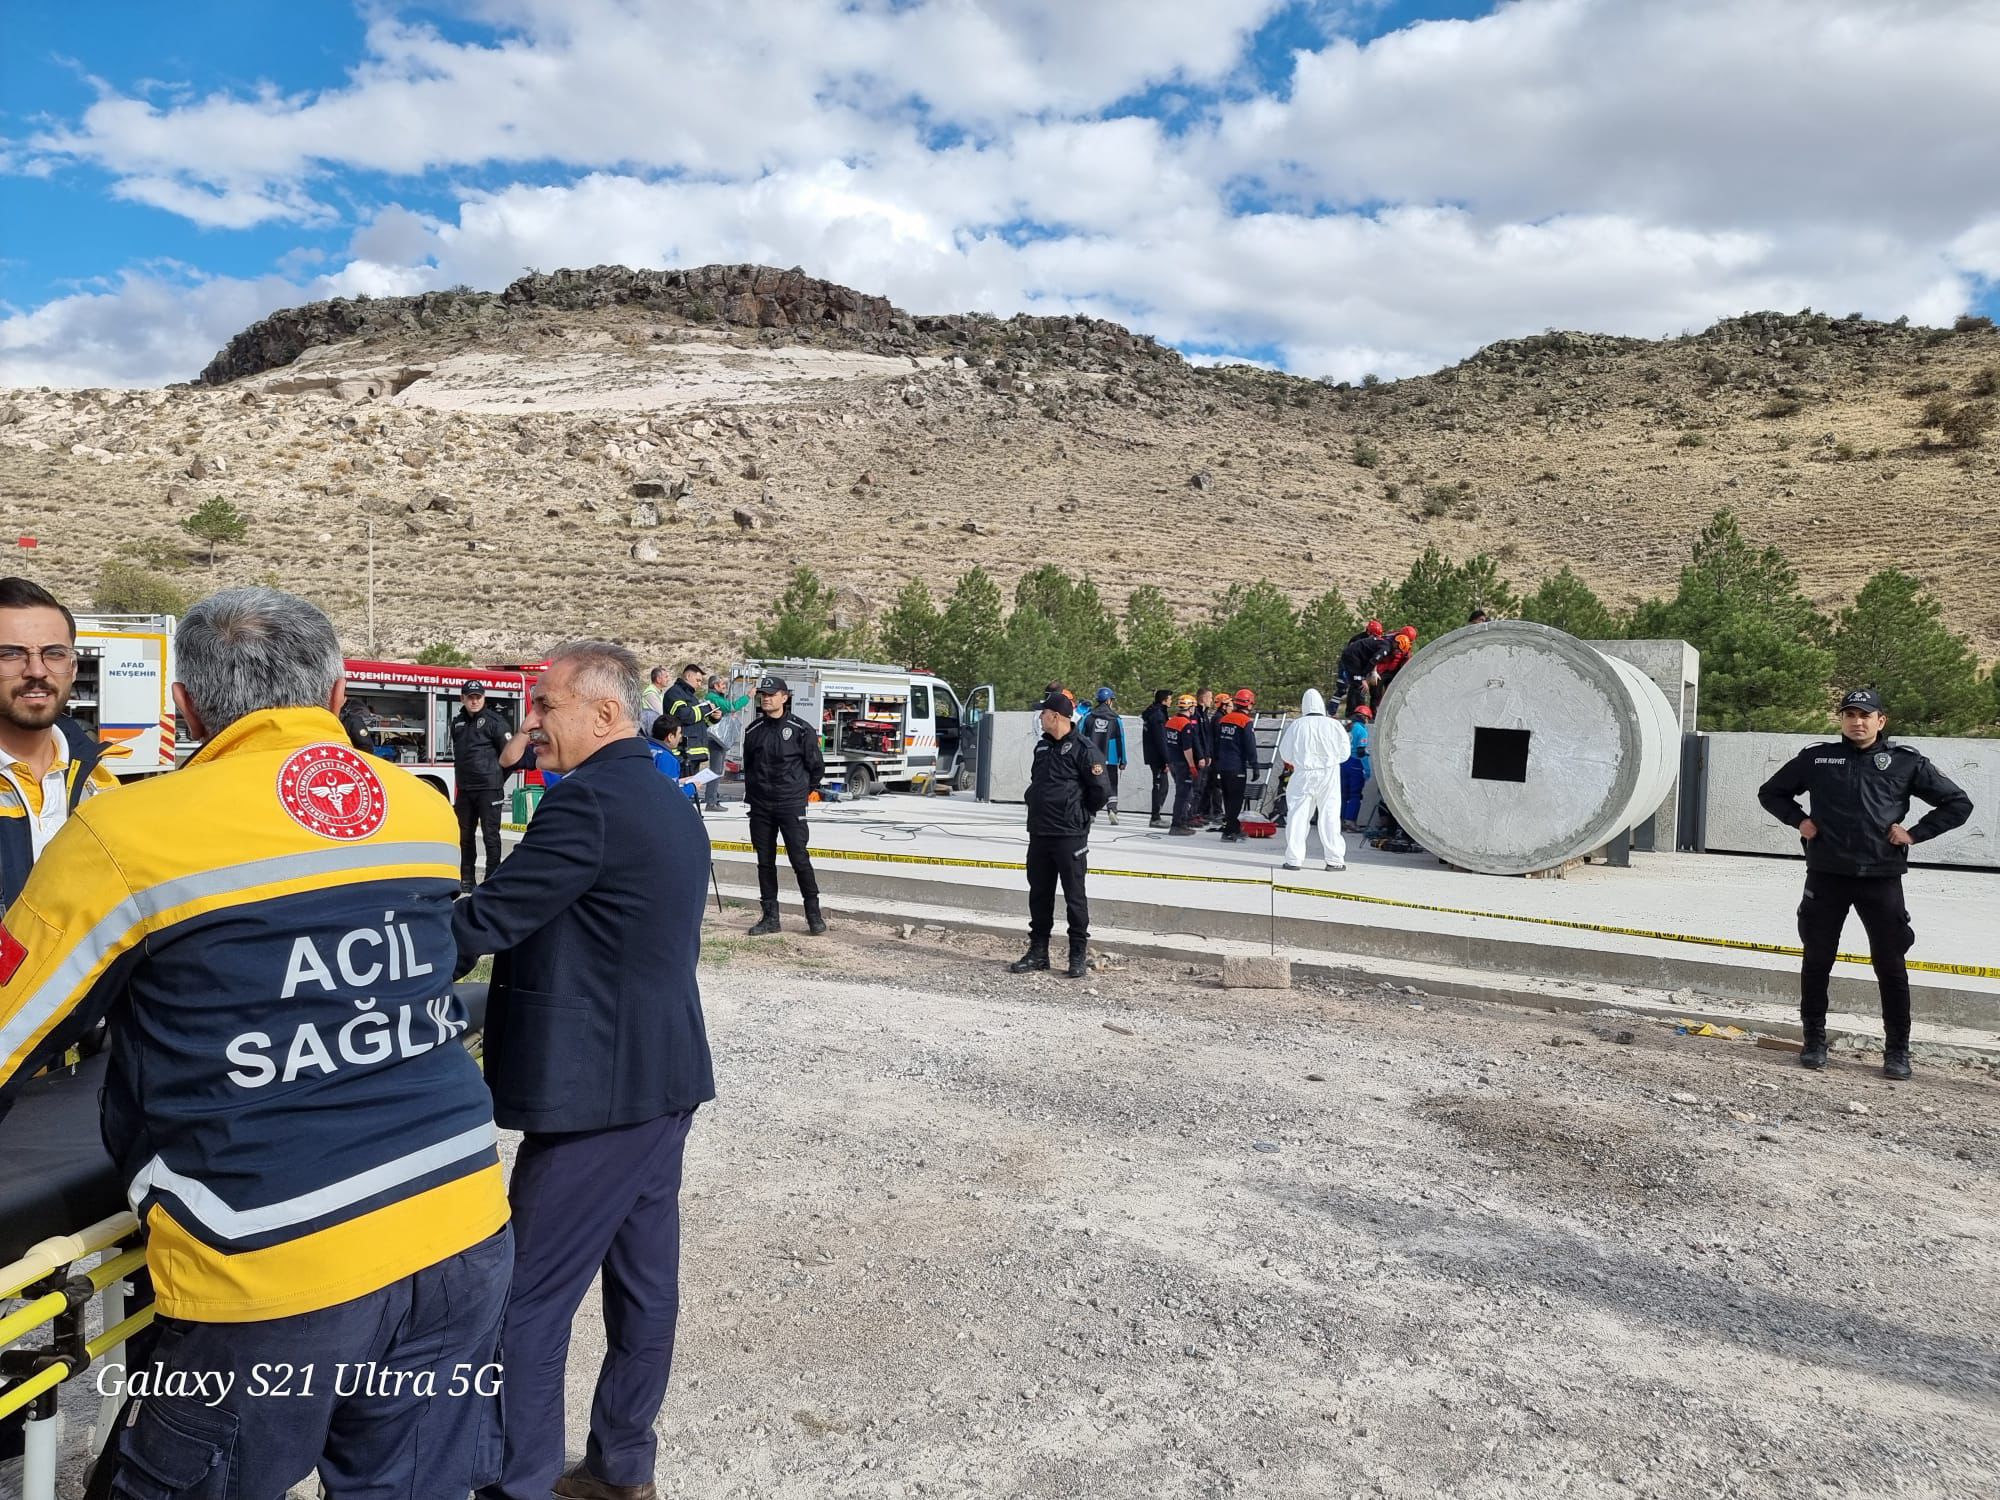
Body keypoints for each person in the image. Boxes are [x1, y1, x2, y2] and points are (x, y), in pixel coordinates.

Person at [0, 587, 511, 1498]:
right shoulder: (422, 811)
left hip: (274, 1256)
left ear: (188, 706)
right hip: (461, 1218)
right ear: (341, 694)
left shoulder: (128, 832)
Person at [451, 640, 712, 1500]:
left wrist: (368, 949)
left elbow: (487, 919)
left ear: (603, 712)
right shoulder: (662, 792)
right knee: (643, 1293)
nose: (533, 722)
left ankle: (516, 1481)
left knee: (523, 1303)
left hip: (599, 1099)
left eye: (546, 706)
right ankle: (620, 1467)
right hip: (658, 1081)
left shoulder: (589, 802)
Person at [1756, 687, 1972, 1080]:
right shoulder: (1818, 758)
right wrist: (1799, 821)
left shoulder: (1906, 763)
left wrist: (1915, 834)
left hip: (1881, 877)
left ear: (1880, 721)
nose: (1858, 722)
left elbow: (1957, 803)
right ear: (1841, 719)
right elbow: (1771, 793)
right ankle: (1814, 1043)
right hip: (1826, 875)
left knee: (1890, 966)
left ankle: (1897, 1052)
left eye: (1865, 715)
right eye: (1850, 714)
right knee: (1818, 960)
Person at [0, 578, 121, 908]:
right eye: (11, 653)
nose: (36, 670)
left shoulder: (101, 785)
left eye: (54, 653)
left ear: (72, 667)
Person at [1010, 690, 1108, 978]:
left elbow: (1100, 791)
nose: (1039, 717)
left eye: (1043, 713)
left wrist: (1080, 816)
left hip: (1069, 834)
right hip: (1040, 831)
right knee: (1039, 894)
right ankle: (1038, 952)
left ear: (1055, 716)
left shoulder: (1084, 749)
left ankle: (1076, 954)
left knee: (1075, 896)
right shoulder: (1041, 747)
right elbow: (1037, 782)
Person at [740, 673, 827, 936]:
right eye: (764, 695)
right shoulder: (753, 730)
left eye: (772, 695)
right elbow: (750, 768)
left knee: (799, 859)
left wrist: (800, 793)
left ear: (785, 697)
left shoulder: (802, 729)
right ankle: (770, 917)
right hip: (761, 806)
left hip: (790, 805)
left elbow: (816, 768)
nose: (767, 699)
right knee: (764, 862)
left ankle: (813, 914)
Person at [1275, 688, 1351, 872]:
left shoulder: (1297, 725)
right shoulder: (1334, 725)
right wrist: (1328, 762)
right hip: (1329, 774)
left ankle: (1294, 859)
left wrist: (1300, 762)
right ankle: (1334, 860)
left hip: (1303, 774)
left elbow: (1285, 753)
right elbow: (1345, 753)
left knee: (1298, 816)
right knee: (1330, 816)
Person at [450, 681, 512, 891]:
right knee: (464, 837)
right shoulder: (457, 723)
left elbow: (509, 756)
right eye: (470, 697)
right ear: (463, 699)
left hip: (489, 789)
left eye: (478, 696)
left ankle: (492, 879)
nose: (474, 700)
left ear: (484, 698)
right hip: (466, 790)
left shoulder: (496, 722)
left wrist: (496, 780)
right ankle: (466, 879)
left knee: (490, 836)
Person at [662, 663, 718, 810]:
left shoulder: (690, 697)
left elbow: (698, 724)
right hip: (682, 753)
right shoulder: (674, 693)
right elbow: (683, 716)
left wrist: (713, 717)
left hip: (693, 753)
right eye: (698, 680)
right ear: (688, 676)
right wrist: (705, 708)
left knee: (689, 794)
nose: (700, 685)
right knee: (679, 793)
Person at [1212, 689, 1262, 841]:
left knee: (1227, 799)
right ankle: (1229, 832)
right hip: (1236, 767)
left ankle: (1233, 827)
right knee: (1236, 800)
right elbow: (1250, 746)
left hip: (1222, 765)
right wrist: (1255, 766)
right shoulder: (1245, 722)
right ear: (1249, 703)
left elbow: (1216, 743)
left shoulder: (1224, 719)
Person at [702, 674, 749, 811]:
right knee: (715, 770)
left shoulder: (717, 697)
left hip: (718, 739)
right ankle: (711, 801)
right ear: (715, 686)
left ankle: (713, 798)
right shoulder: (713, 698)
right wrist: (748, 696)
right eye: (723, 685)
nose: (725, 687)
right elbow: (732, 707)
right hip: (716, 739)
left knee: (717, 770)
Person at [1079, 687, 1126, 825]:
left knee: (1092, 784)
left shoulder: (1088, 717)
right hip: (1110, 758)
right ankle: (1112, 810)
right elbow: (1120, 739)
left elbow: (1080, 736)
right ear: (1108, 700)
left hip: (1092, 758)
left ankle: (1091, 813)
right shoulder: (1116, 719)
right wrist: (1123, 759)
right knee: (1112, 784)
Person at [1164, 693, 1202, 835]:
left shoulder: (1170, 721)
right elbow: (1187, 748)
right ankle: (1177, 824)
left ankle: (1182, 821)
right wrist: (1192, 765)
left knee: (1185, 793)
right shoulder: (1185, 724)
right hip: (1182, 763)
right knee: (1183, 794)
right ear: (1190, 708)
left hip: (1173, 762)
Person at [1338, 621, 1392, 715]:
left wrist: (1373, 672)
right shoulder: (1357, 640)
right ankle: (1358, 713)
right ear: (1368, 632)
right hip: (1353, 661)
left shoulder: (1376, 641)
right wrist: (1363, 677)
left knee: (1366, 686)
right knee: (1359, 686)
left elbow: (1373, 657)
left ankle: (1367, 711)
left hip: (1363, 663)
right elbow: (1370, 659)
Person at [1141, 688, 1172, 827]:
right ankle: (1155, 817)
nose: (1172, 701)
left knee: (1161, 786)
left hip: (1153, 755)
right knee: (1161, 786)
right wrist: (1166, 760)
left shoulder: (1153, 712)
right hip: (1158, 757)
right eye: (1170, 699)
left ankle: (1156, 816)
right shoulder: (1158, 715)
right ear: (1164, 700)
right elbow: (1161, 740)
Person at [1341, 704, 1373, 828]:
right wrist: (1367, 769)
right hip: (1355, 764)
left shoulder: (1347, 728)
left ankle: (1340, 821)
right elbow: (1361, 751)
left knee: (1343, 794)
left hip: (1343, 763)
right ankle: (1350, 822)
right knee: (1355, 795)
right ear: (1365, 717)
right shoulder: (1361, 730)